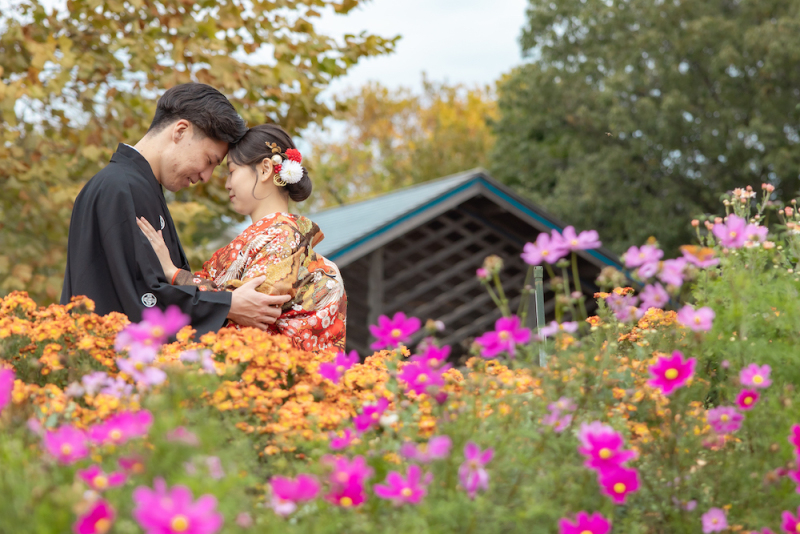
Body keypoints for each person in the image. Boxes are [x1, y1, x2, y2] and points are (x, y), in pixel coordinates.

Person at [61, 84, 290, 335]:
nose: (206, 176)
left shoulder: (132, 185)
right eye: (210, 160)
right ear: (180, 131)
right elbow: (141, 297)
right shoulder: (121, 188)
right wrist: (227, 305)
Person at [137, 124, 347, 352]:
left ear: (266, 169)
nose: (227, 184)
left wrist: (173, 273)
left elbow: (251, 315)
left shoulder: (283, 236)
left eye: (232, 171)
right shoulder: (274, 236)